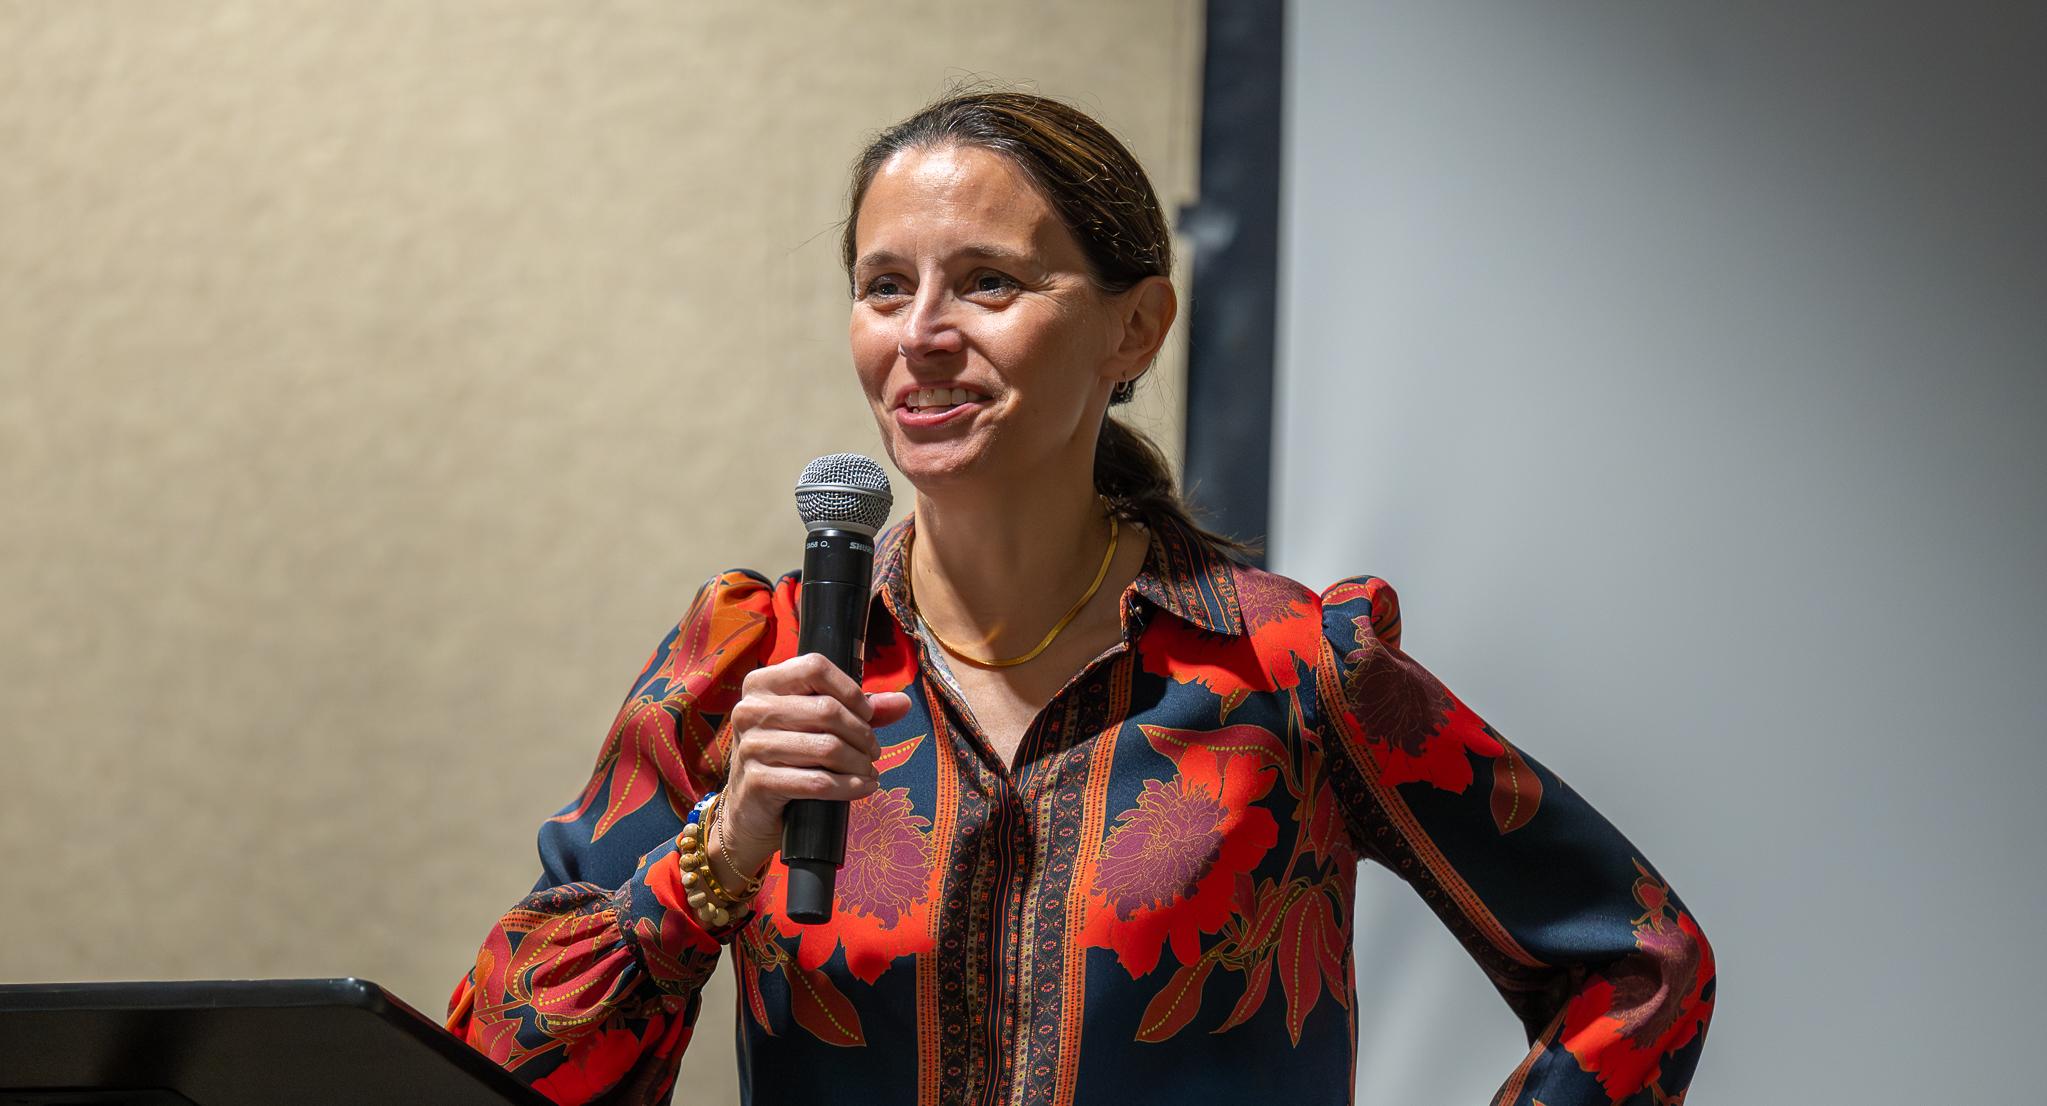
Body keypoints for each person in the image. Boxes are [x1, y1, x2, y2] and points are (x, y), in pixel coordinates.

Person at [446, 89, 1715, 1105]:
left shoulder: (1284, 664)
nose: (922, 334)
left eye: (988, 282)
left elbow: (1639, 961)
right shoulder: (754, 663)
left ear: (1136, 328)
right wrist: (717, 859)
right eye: (885, 287)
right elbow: (501, 1060)